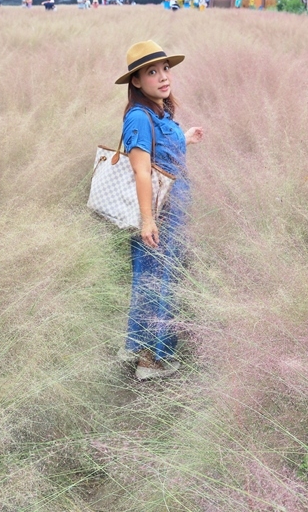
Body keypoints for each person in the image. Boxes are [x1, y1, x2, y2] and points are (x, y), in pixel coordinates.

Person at [114, 40, 203, 381]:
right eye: (152, 72)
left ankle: (138, 347)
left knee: (158, 277)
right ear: (136, 81)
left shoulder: (159, 111)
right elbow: (142, 170)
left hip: (171, 211)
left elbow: (163, 154)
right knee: (158, 282)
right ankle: (153, 360)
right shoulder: (138, 116)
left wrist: (185, 138)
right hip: (158, 215)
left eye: (165, 68)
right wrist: (148, 220)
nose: (163, 77)